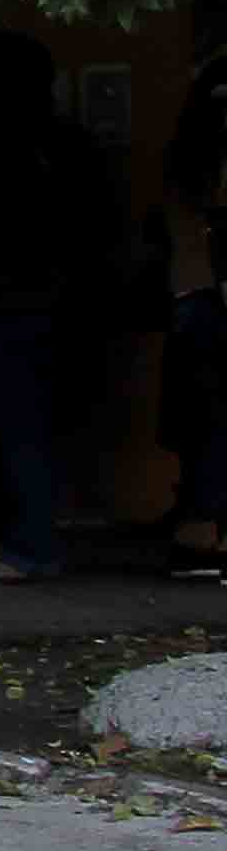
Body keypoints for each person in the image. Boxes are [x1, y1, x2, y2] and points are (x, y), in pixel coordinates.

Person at [0, 33, 109, 584]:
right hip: (58, 301)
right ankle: (27, 535)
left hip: (10, 300)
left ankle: (30, 545)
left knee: (18, 425)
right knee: (34, 425)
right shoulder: (66, 143)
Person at [165, 42, 227, 583]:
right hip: (203, 290)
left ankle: (201, 525)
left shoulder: (206, 103)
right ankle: (202, 523)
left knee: (205, 414)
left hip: (198, 290)